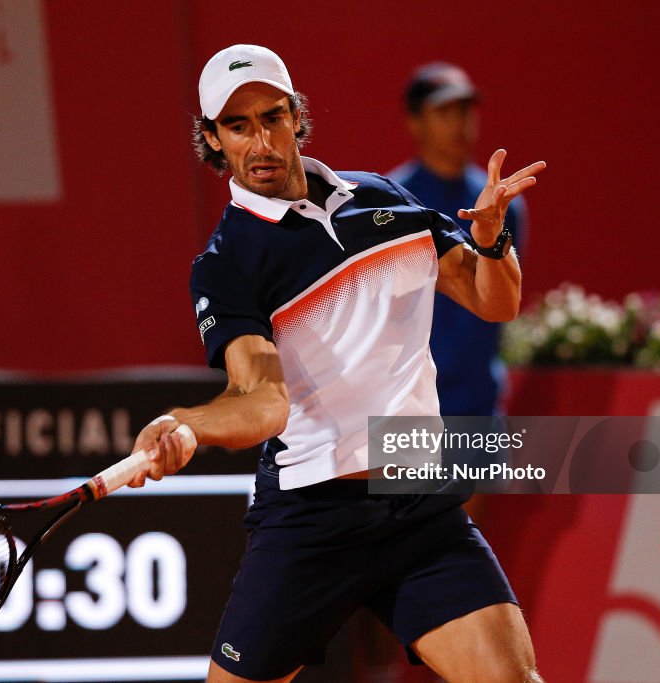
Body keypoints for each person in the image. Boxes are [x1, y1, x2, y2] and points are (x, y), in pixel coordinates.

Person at [127, 44, 546, 683]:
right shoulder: (227, 262)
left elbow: (497, 301)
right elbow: (264, 399)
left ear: (296, 117)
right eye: (237, 127)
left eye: (271, 117)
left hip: (418, 503)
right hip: (312, 519)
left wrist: (491, 241)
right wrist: (189, 423)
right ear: (213, 139)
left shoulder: (382, 199)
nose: (260, 141)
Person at [389, 62, 529, 417]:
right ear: (415, 122)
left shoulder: (502, 206)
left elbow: (501, 303)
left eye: (465, 110)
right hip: (406, 411)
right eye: (444, 111)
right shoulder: (390, 203)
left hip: (480, 409)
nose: (459, 123)